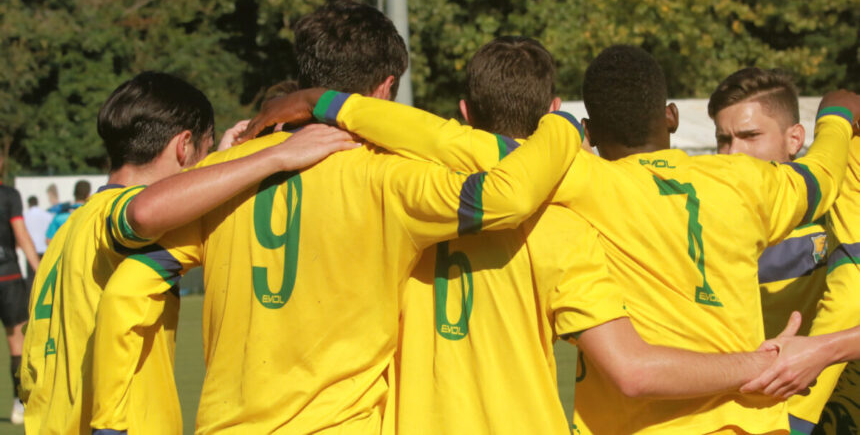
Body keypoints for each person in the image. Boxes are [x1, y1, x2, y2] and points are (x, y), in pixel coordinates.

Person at [245, 45, 860, 434]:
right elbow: (822, 176)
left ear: (587, 126)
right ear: (672, 116)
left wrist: (331, 103)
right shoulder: (749, 183)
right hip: (756, 423)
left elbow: (452, 142)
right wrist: (836, 114)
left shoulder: (579, 182)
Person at [90, 1, 586, 434]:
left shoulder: (224, 176)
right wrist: (562, 125)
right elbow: (507, 192)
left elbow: (127, 291)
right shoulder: (389, 177)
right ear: (385, 89)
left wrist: (109, 422)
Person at [18, 71, 354, 435]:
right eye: (204, 153)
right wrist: (276, 156)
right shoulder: (112, 215)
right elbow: (143, 213)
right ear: (183, 146)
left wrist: (222, 159)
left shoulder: (69, 229)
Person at [708, 67, 860, 435]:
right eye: (724, 139)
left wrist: (826, 349)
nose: (734, 153)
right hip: (748, 421)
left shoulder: (836, 208)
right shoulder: (702, 224)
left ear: (795, 139)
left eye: (750, 136)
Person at [0, 168, 40, 425]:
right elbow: (21, 234)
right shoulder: (9, 195)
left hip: (9, 278)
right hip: (8, 277)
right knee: (17, 342)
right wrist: (40, 270)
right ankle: (18, 404)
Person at [44, 180, 90, 244]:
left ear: (74, 194)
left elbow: (48, 240)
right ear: (88, 195)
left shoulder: (60, 216)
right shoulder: (91, 214)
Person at [23, 196, 51, 283]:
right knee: (44, 276)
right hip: (44, 248)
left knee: (31, 278)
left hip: (31, 250)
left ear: (28, 204)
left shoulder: (25, 216)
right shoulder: (47, 215)